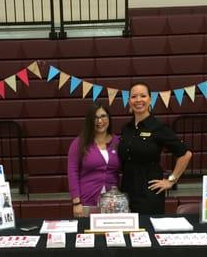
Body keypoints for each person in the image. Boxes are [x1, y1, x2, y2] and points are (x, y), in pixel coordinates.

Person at [118, 82, 192, 214]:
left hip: (149, 193)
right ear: (129, 101)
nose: (138, 100)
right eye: (134, 96)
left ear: (150, 99)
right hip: (127, 191)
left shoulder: (158, 127)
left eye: (143, 96)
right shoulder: (126, 128)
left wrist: (170, 180)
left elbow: (185, 154)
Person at [67, 103, 121, 217]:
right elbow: (72, 173)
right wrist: (76, 202)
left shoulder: (118, 142)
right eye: (95, 118)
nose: (99, 121)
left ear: (109, 118)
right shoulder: (79, 143)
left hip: (113, 202)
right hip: (86, 201)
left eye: (103, 116)